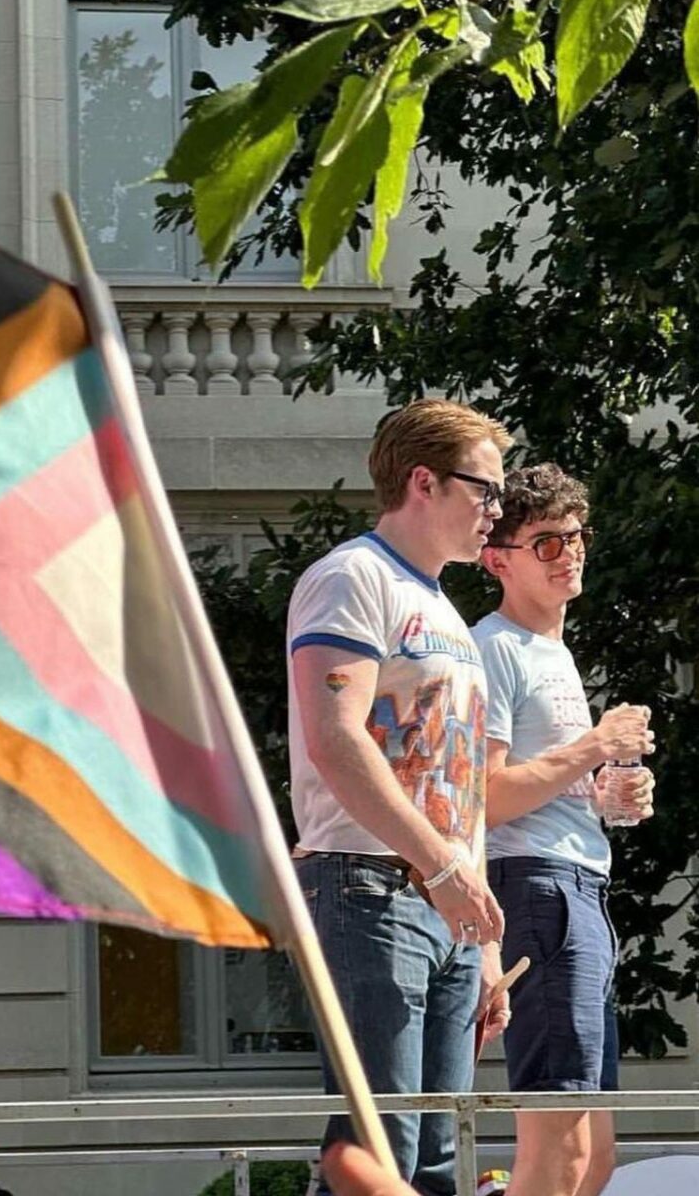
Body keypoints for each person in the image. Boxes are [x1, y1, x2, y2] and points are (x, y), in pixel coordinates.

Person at [288, 400, 513, 1195]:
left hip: (442, 902)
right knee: (380, 1150)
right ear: (424, 481)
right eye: (485, 488)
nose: (497, 508)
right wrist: (444, 873)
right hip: (368, 884)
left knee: (438, 1157)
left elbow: (464, 785)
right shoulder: (353, 578)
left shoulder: (449, 612)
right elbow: (336, 739)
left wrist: (482, 938)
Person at [472, 463, 655, 1196]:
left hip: (578, 886)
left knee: (596, 1154)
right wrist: (594, 747)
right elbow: (480, 799)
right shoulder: (494, 648)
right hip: (536, 886)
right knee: (560, 1153)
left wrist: (614, 791)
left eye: (576, 536)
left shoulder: (553, 653)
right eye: (547, 541)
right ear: (498, 559)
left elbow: (554, 786)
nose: (570, 552)